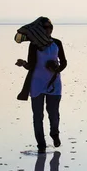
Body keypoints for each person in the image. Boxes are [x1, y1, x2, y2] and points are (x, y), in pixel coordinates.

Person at [15, 17, 67, 154]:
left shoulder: (57, 43)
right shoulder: (33, 45)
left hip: (54, 84)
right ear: (39, 30)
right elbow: (31, 65)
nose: (48, 29)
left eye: (50, 27)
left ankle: (54, 134)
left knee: (54, 113)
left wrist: (57, 69)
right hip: (37, 84)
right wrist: (23, 63)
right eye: (45, 27)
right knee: (37, 116)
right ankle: (41, 145)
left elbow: (64, 62)